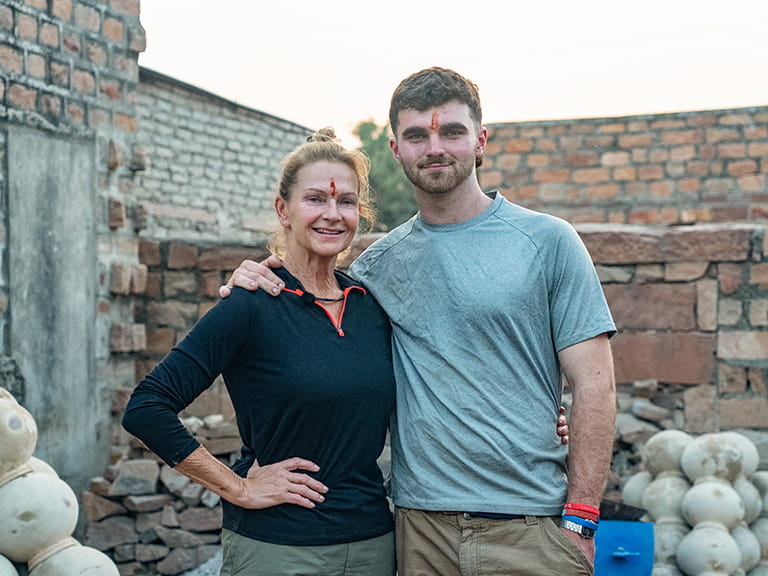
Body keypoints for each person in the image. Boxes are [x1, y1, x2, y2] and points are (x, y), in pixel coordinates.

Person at [221, 66, 616, 576]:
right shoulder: (374, 269)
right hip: (419, 528)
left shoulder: (548, 242)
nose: (435, 147)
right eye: (416, 135)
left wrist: (581, 520)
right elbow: (310, 323)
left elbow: (596, 385)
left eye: (451, 131)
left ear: (480, 141)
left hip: (531, 524)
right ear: (395, 149)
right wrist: (257, 272)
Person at [123, 128, 398, 576]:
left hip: (373, 543)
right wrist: (238, 488)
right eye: (315, 199)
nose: (332, 214)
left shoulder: (371, 306)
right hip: (278, 548)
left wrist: (550, 421)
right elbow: (146, 408)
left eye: (346, 202)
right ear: (282, 210)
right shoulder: (250, 304)